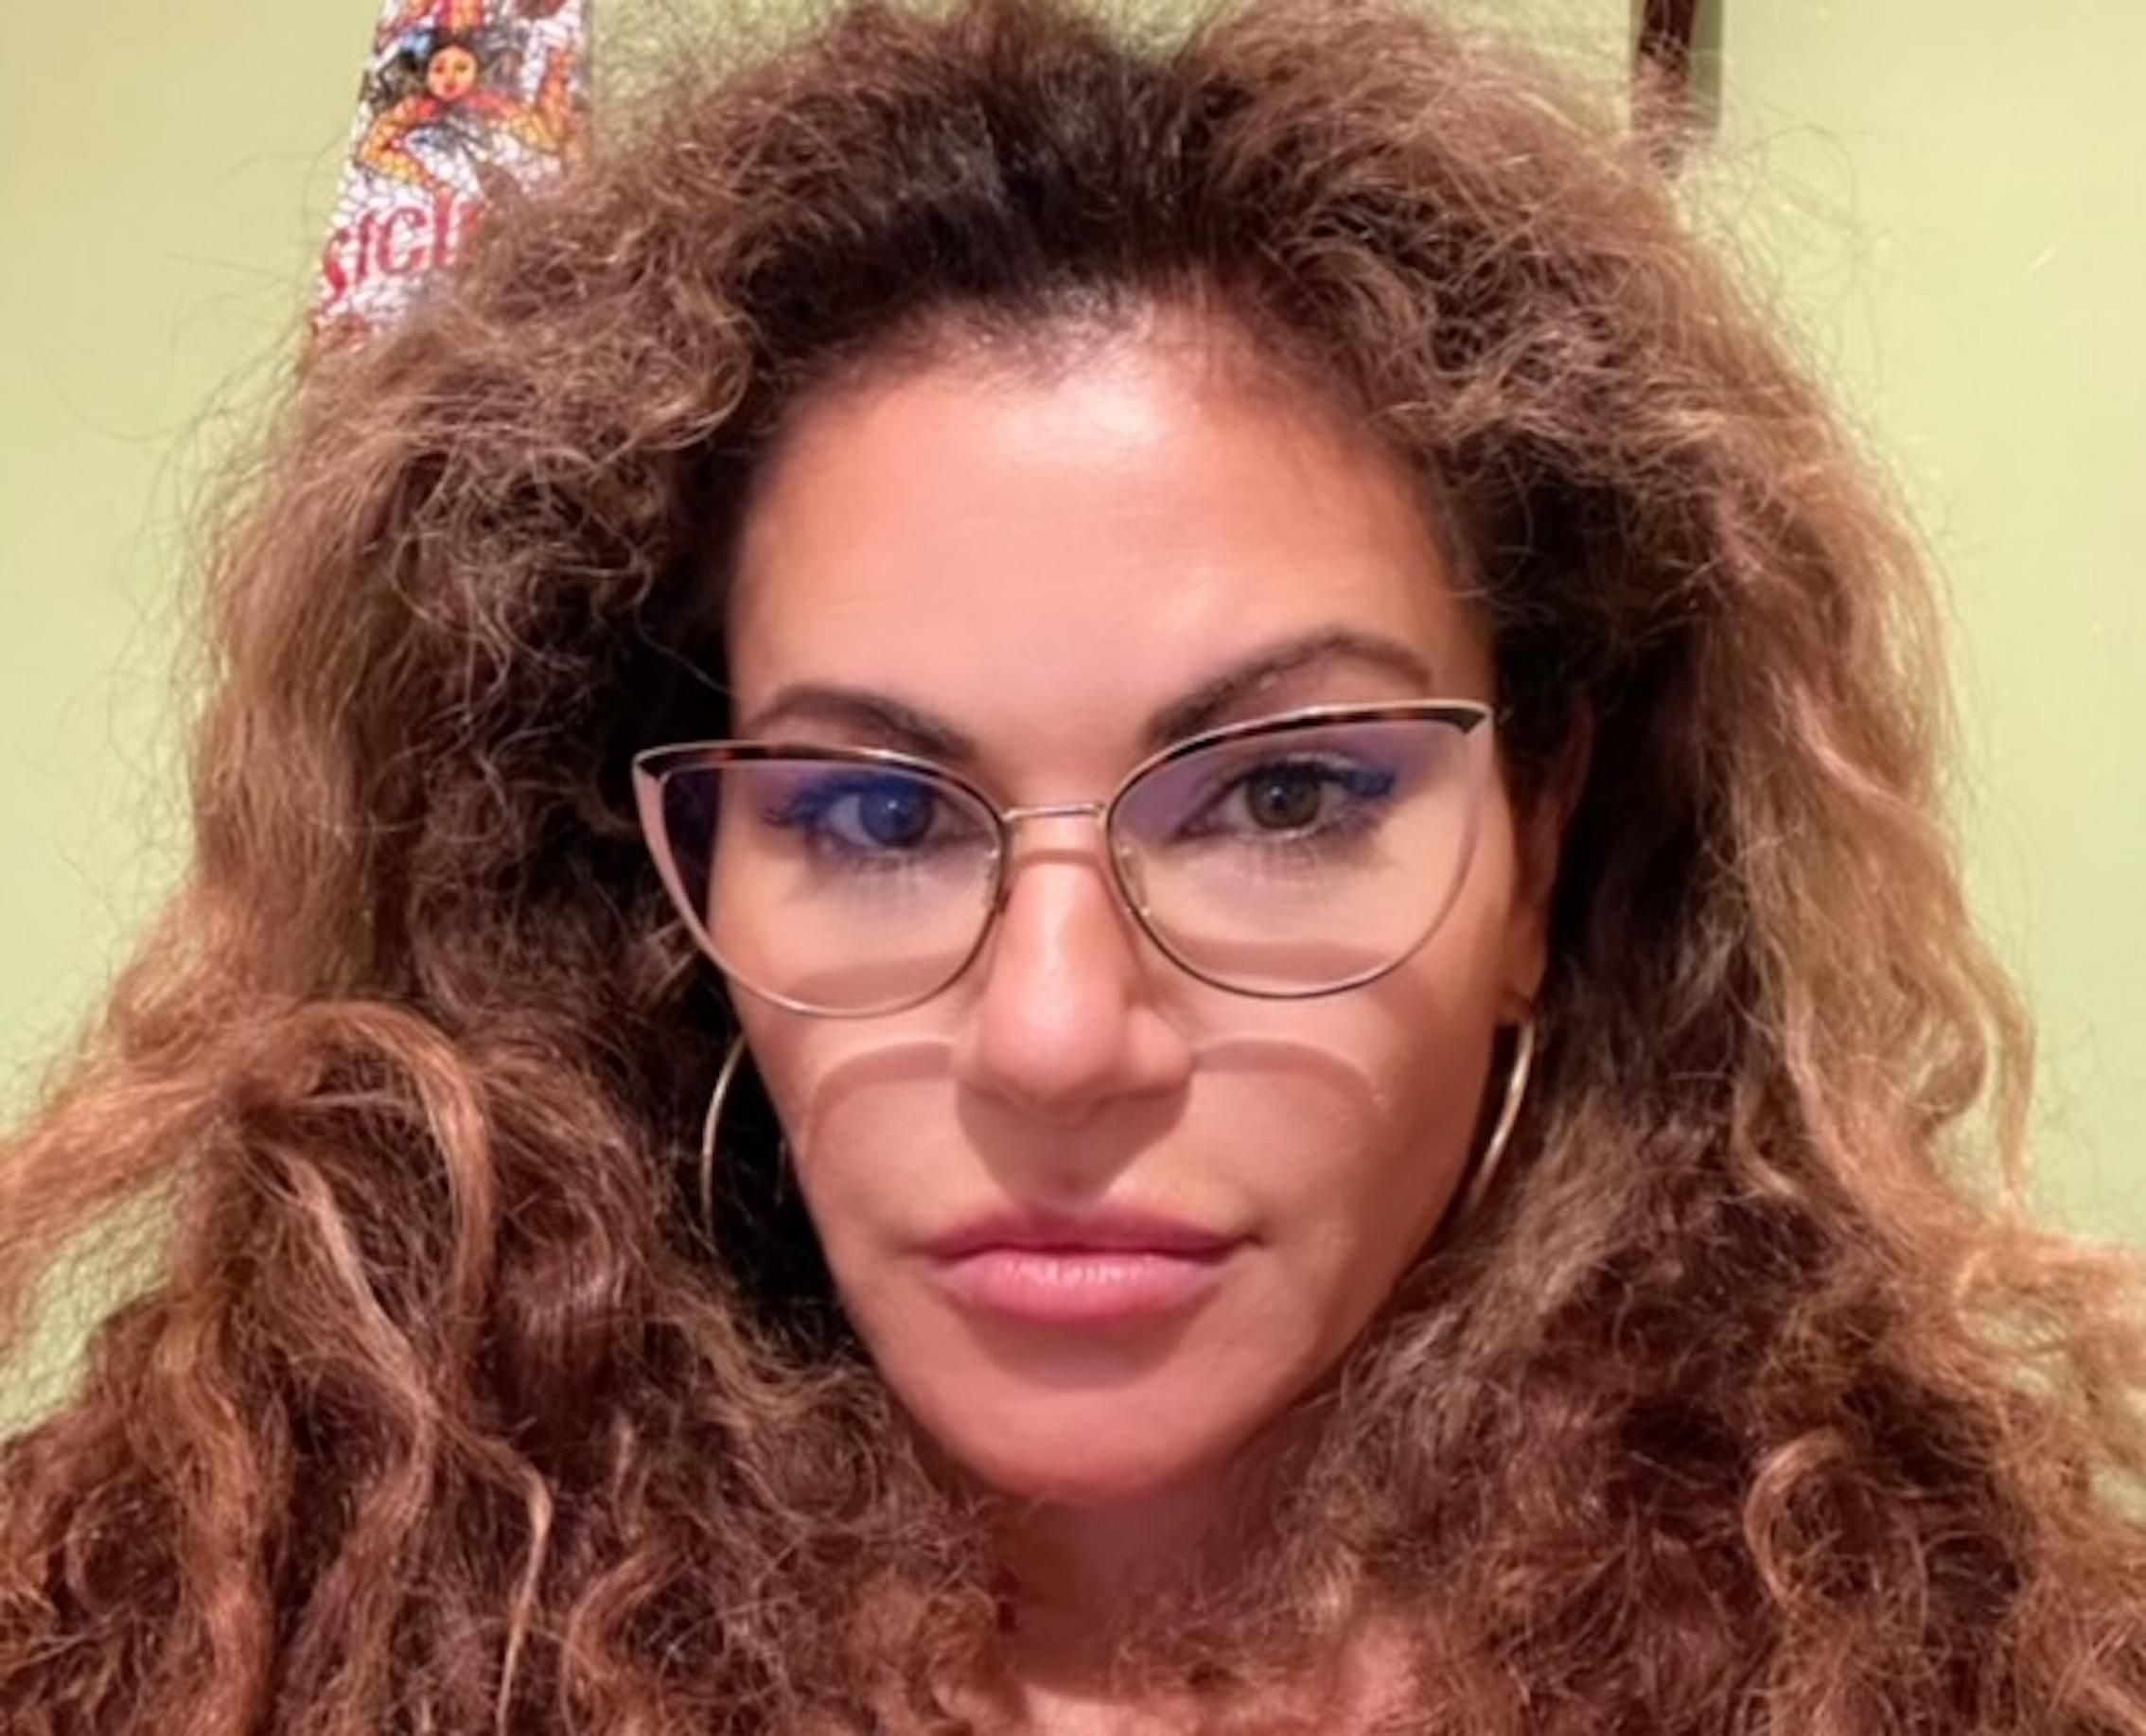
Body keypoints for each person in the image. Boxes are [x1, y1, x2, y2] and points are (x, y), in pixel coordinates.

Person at [4, 0, 2143, 1727]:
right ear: (679, 891)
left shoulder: (1979, 1669)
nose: (1053, 1039)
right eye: (870, 814)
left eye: (1285, 799)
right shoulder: (210, 1647)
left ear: (1539, 850)